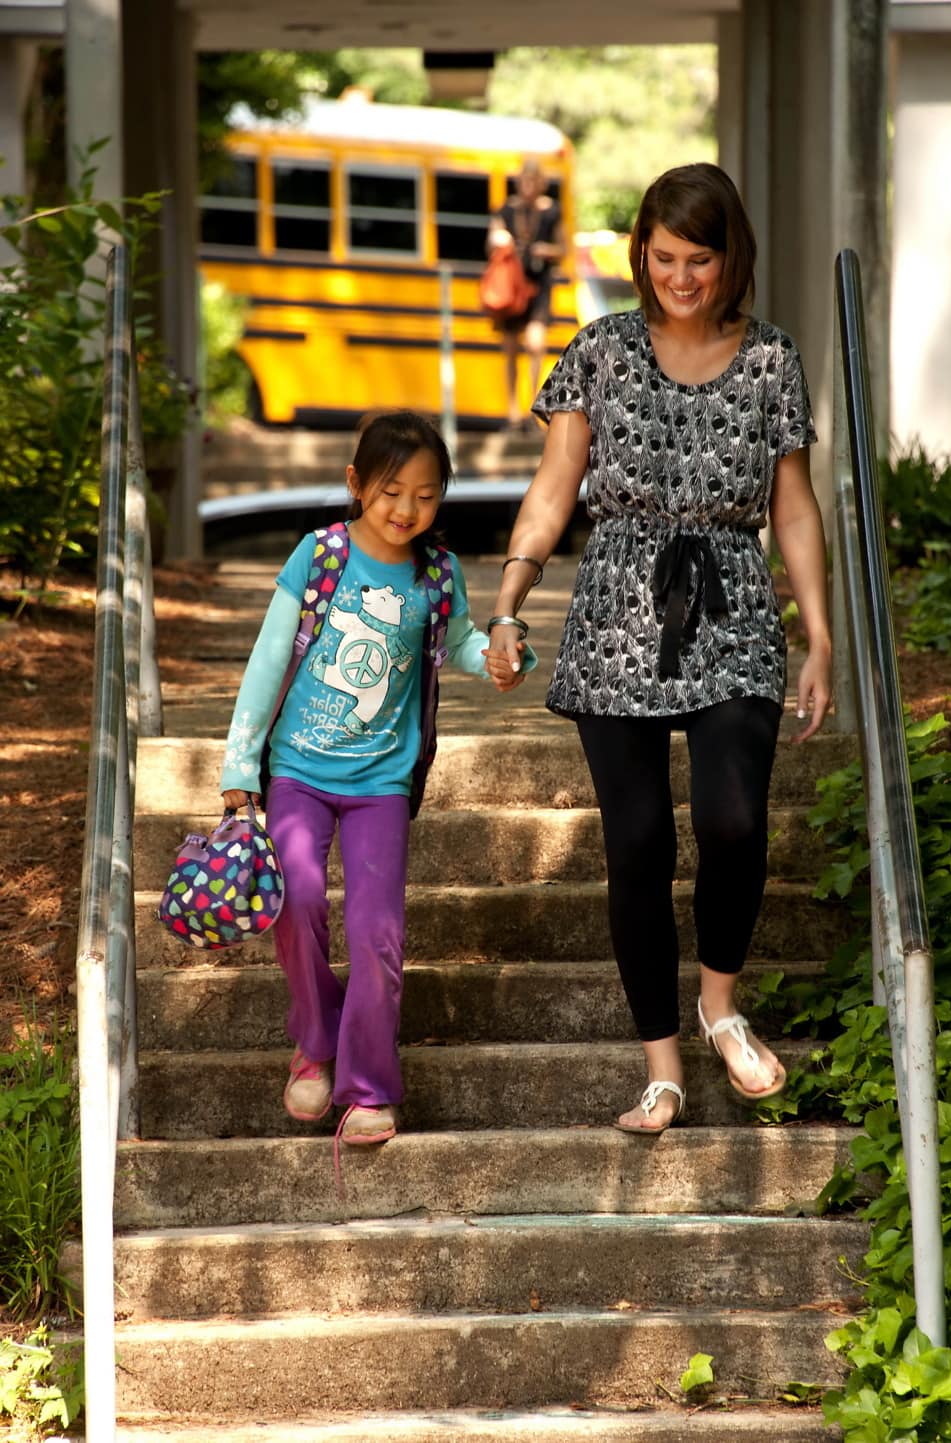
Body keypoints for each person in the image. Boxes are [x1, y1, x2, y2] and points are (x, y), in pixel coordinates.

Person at [485, 163, 832, 1135]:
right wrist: (511, 598)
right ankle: (661, 1068)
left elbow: (793, 507)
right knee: (637, 842)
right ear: (641, 255)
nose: (682, 276)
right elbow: (556, 486)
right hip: (614, 611)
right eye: (664, 257)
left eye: (701, 259)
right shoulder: (597, 349)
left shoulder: (770, 360)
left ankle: (719, 1004)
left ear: (732, 260)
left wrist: (821, 636)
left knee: (732, 821)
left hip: (731, 604)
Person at [220, 410, 533, 1152]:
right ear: (358, 484)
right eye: (393, 491)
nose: (407, 510)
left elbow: (456, 643)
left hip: (381, 784)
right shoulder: (319, 554)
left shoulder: (436, 571)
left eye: (426, 496)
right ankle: (315, 1041)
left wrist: (497, 656)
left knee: (377, 931)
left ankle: (366, 1087)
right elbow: (269, 661)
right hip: (297, 769)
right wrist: (240, 765)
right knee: (294, 900)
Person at [487, 157, 564, 430]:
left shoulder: (552, 212)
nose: (528, 186)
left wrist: (545, 251)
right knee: (510, 349)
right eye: (523, 180)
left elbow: (562, 249)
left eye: (533, 180)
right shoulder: (506, 211)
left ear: (541, 183)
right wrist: (500, 240)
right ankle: (512, 414)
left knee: (535, 345)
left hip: (538, 286)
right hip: (511, 288)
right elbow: (492, 240)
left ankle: (532, 409)